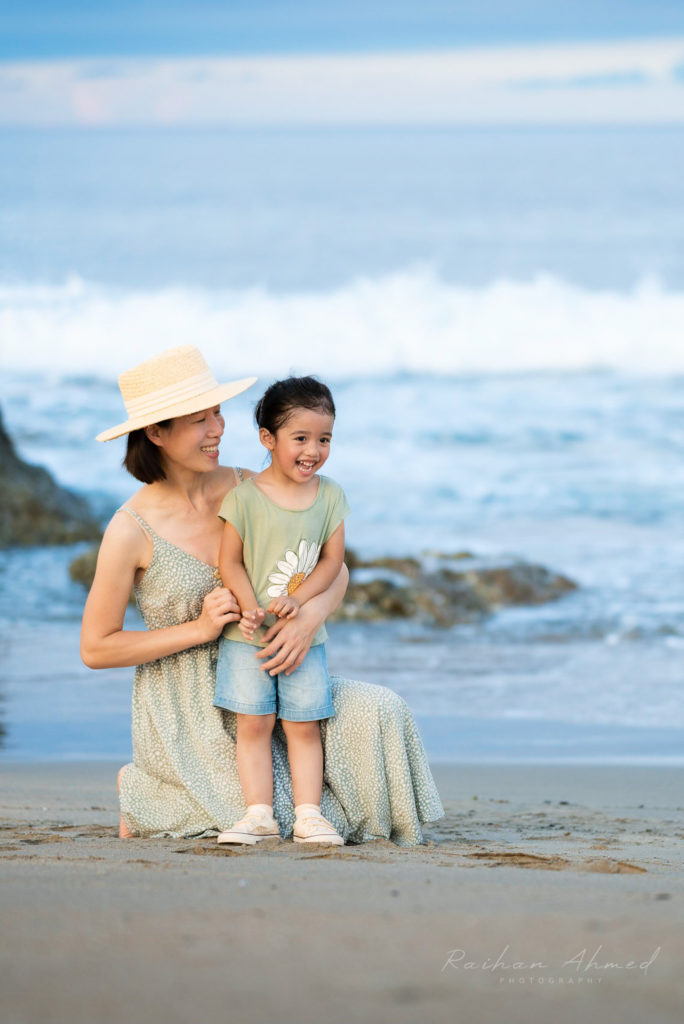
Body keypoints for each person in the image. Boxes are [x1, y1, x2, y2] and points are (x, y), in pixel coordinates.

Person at [80, 345, 443, 844]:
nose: (217, 429)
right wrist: (200, 629)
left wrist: (308, 618)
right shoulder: (130, 529)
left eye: (217, 414)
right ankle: (146, 788)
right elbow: (96, 648)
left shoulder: (256, 488)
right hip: (188, 707)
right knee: (278, 822)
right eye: (198, 420)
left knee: (379, 710)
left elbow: (333, 570)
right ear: (156, 433)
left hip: (275, 668)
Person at [215, 376, 349, 846]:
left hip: (304, 638)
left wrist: (300, 599)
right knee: (253, 723)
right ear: (267, 440)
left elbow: (334, 561)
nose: (313, 450)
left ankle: (309, 815)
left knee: (303, 724)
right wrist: (249, 608)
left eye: (324, 438)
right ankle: (259, 815)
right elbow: (228, 560)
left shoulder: (329, 495)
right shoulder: (244, 499)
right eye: (301, 438)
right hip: (245, 639)